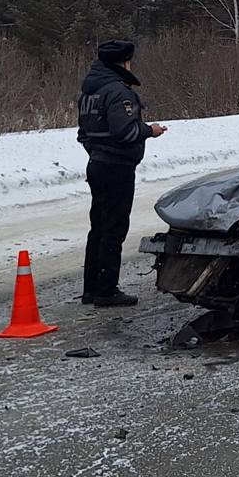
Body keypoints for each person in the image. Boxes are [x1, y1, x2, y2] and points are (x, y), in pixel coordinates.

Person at [76, 40, 166, 307]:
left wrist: (97, 152)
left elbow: (84, 134)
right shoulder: (118, 92)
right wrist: (150, 130)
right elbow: (125, 132)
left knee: (98, 227)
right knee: (114, 228)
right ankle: (106, 290)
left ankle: (92, 288)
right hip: (117, 167)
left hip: (97, 164)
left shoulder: (89, 91)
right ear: (124, 62)